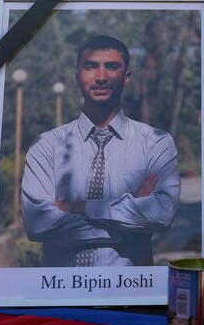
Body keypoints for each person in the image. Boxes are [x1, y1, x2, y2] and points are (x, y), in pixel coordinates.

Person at [21, 34, 180, 267]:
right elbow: (38, 223)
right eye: (91, 67)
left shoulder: (156, 143)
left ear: (126, 77)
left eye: (112, 67)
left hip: (129, 292)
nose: (102, 77)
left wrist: (81, 206)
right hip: (58, 290)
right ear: (78, 78)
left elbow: (162, 212)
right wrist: (124, 226)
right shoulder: (46, 146)